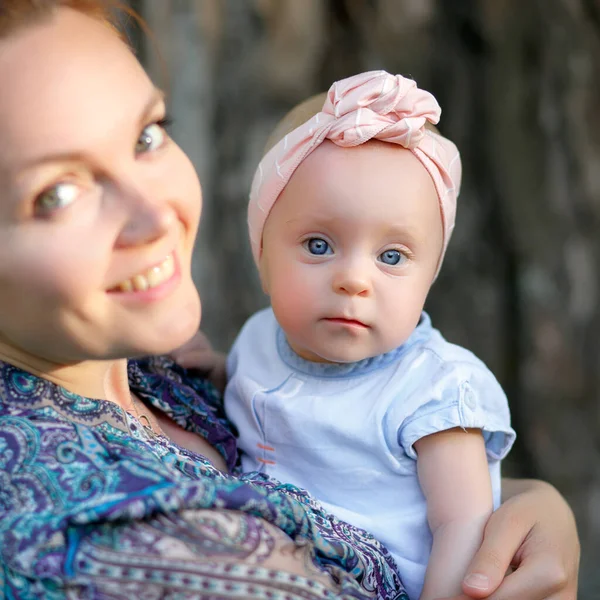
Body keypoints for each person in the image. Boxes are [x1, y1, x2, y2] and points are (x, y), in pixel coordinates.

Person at [0, 1, 579, 599]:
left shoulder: (151, 371)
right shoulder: (82, 535)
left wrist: (532, 508)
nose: (154, 216)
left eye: (146, 136)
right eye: (56, 194)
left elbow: (384, 477)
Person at [182, 71, 509, 600]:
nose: (354, 280)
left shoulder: (433, 392)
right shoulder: (261, 337)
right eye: (317, 245)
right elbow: (252, 387)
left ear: (430, 276)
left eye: (392, 257)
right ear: (261, 257)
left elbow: (464, 525)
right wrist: (215, 367)